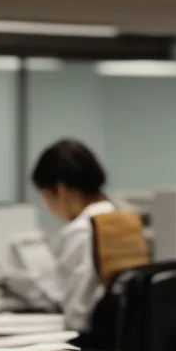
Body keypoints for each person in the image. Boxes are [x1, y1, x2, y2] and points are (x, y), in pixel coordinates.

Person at [29, 138, 145, 334]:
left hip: (93, 345)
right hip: (128, 340)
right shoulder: (125, 222)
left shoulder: (82, 231)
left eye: (47, 198)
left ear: (61, 190)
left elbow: (76, 316)